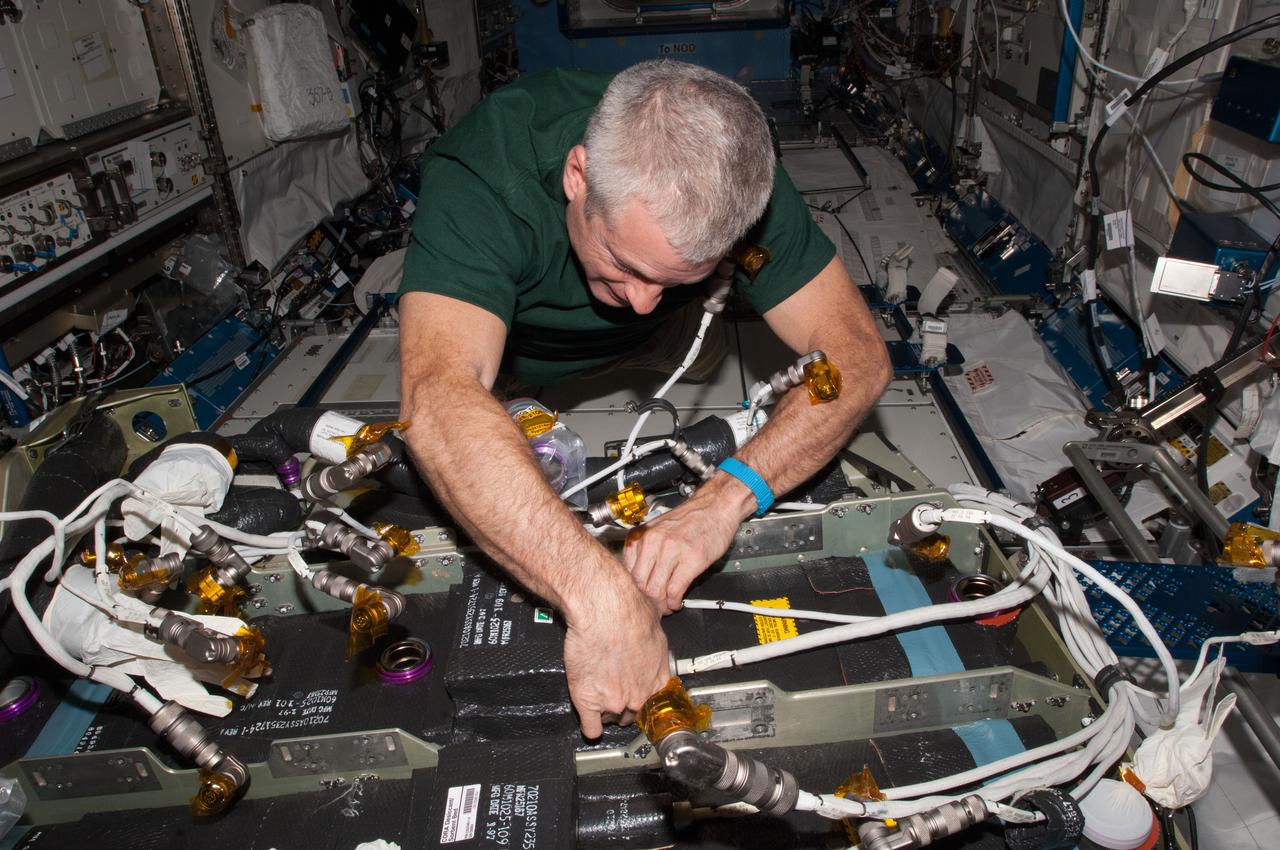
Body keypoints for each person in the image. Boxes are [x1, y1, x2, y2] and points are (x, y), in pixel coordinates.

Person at [397, 60, 891, 738]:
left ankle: (683, 316)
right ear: (578, 176)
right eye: (624, 264)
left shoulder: (737, 182)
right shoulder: (485, 176)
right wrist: (603, 601)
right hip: (519, 347)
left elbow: (857, 359)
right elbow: (437, 398)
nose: (637, 300)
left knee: (684, 343)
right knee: (488, 435)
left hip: (677, 337)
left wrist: (726, 497)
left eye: (673, 275)